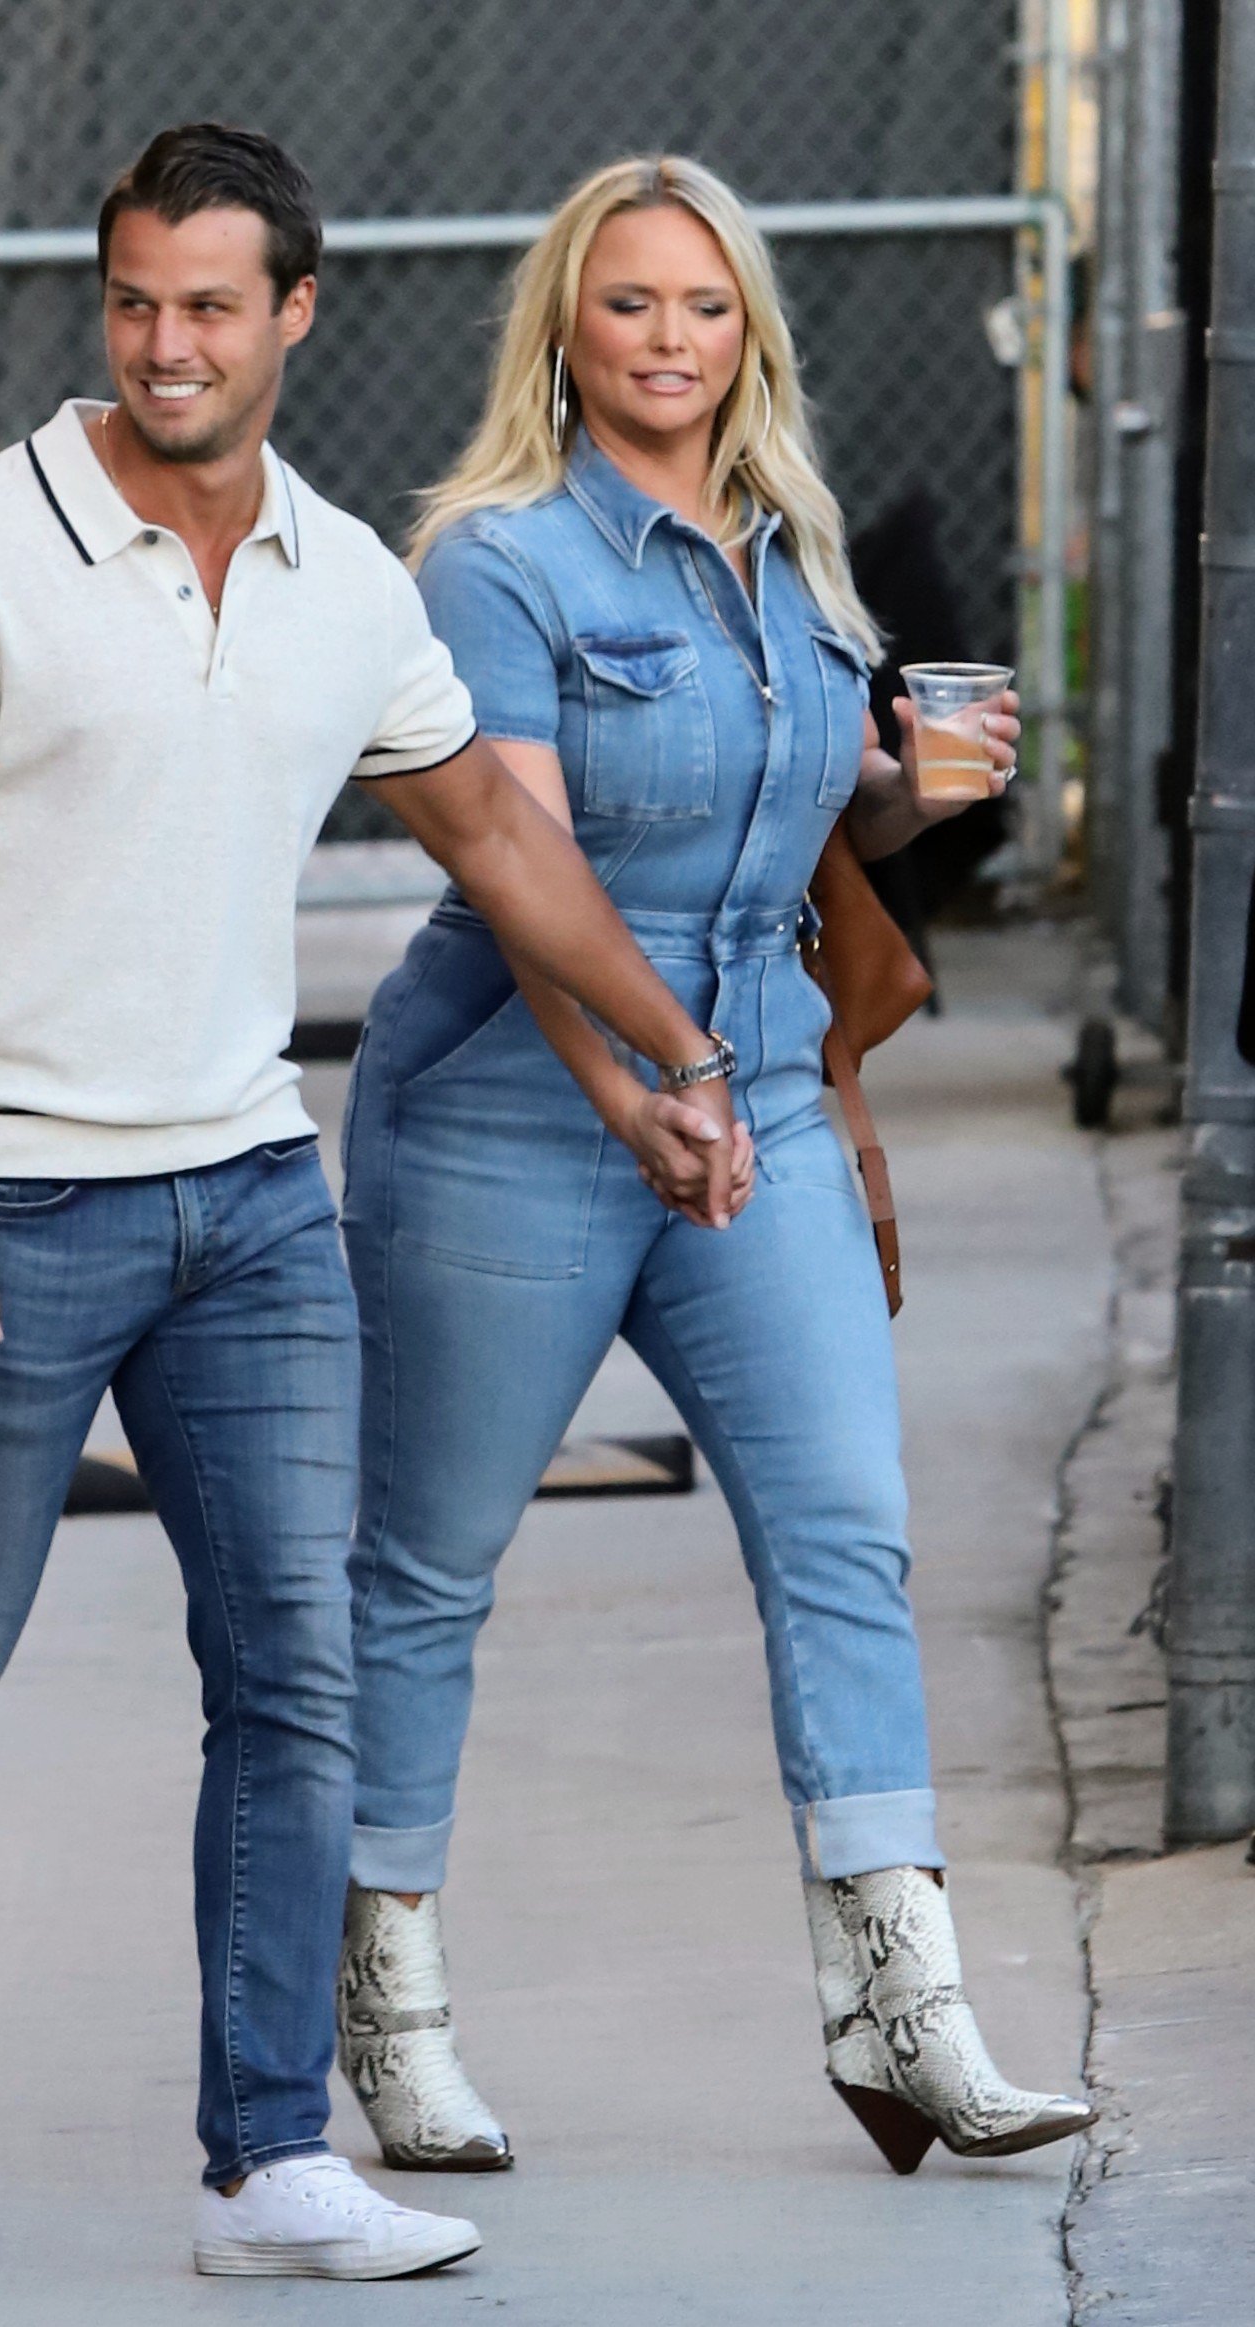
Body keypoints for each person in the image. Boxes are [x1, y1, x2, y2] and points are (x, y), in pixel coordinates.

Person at [0, 122, 747, 2285]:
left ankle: (262, 2160)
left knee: (293, 1670)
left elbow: (495, 843)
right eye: (133, 299)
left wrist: (673, 1059)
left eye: (211, 303)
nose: (165, 342)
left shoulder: (340, 574)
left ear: (294, 311)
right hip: (7, 1199)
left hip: (247, 1200)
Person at [334, 153, 1097, 2180]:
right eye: (624, 305)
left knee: (844, 1528)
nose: (665, 341)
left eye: (699, 306)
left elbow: (791, 856)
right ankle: (382, 2009)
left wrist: (904, 796)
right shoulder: (491, 564)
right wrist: (629, 1089)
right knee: (425, 1573)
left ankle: (897, 2003)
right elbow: (521, 876)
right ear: (561, 333)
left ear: (745, 326)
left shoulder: (793, 557)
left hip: (751, 1089)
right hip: (513, 1101)